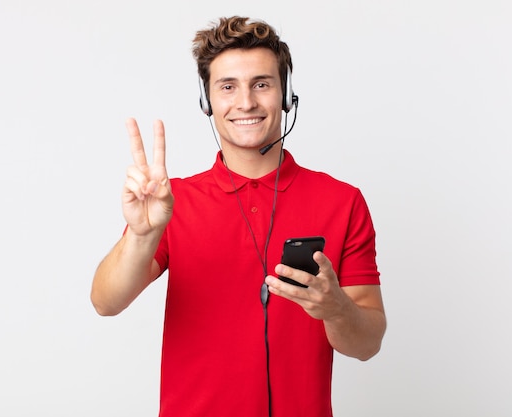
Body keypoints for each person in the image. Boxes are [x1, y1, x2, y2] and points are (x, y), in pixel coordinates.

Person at [91, 16, 386, 417]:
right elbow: (105, 302)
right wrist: (142, 235)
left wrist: (335, 308)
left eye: (261, 84)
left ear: (285, 94)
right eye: (227, 87)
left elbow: (367, 344)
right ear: (207, 101)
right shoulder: (170, 202)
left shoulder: (342, 201)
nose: (245, 102)